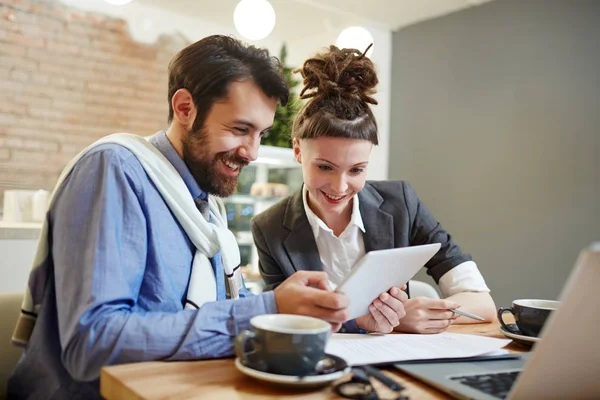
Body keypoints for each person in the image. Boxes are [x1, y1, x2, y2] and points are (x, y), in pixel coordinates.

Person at [8, 35, 353, 400]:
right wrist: (268, 308)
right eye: (240, 129)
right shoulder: (115, 170)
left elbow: (227, 313)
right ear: (185, 108)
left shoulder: (207, 208)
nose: (252, 152)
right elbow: (93, 343)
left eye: (261, 134)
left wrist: (340, 317)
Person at [251, 44, 496, 335]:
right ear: (298, 151)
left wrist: (422, 315)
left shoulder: (401, 203)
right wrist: (381, 320)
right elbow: (285, 319)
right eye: (325, 167)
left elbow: (482, 304)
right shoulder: (269, 228)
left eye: (356, 170)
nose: (340, 187)